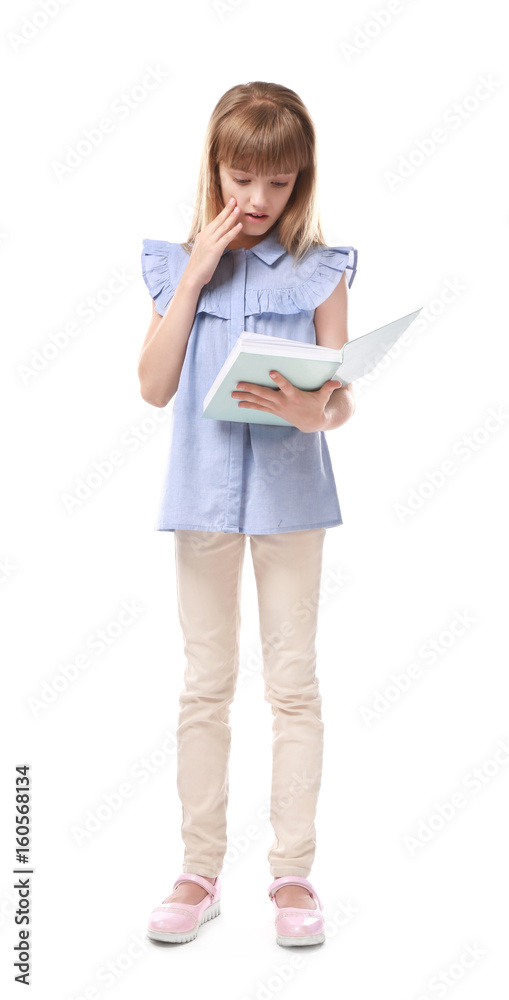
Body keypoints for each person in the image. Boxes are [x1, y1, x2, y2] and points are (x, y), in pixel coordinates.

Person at [139, 81, 358, 947]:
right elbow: (153, 386)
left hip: (291, 500)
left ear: (301, 179)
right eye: (241, 179)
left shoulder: (322, 268)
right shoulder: (175, 264)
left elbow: (339, 394)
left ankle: (292, 875)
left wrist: (319, 410)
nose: (259, 199)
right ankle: (198, 873)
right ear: (214, 169)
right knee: (206, 685)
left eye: (279, 181)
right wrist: (196, 273)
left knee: (292, 684)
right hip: (201, 500)